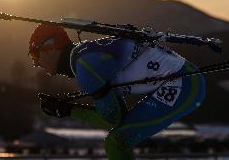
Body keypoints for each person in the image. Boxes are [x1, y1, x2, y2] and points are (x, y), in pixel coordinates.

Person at [28, 23, 207, 160]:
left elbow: (113, 118)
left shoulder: (86, 68)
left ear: (50, 47)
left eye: (35, 55)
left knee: (116, 143)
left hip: (183, 83)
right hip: (187, 79)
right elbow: (119, 118)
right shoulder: (87, 55)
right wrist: (70, 109)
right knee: (117, 141)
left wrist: (70, 111)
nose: (36, 63)